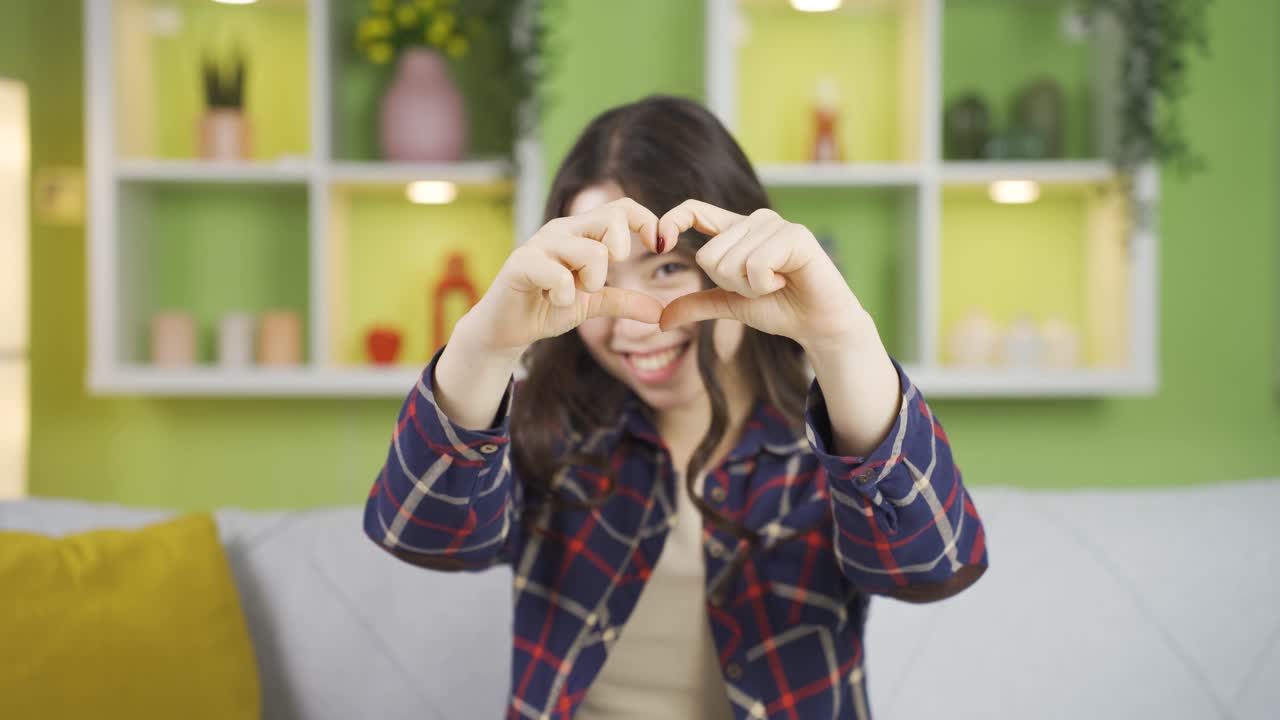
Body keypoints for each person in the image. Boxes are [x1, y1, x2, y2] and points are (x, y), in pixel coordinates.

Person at [364, 95, 988, 720]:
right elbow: (419, 531)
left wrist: (843, 339)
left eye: (666, 268)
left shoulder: (832, 436)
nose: (634, 323)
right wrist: (485, 343)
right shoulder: (548, 428)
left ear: (740, 257)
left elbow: (936, 565)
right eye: (601, 278)